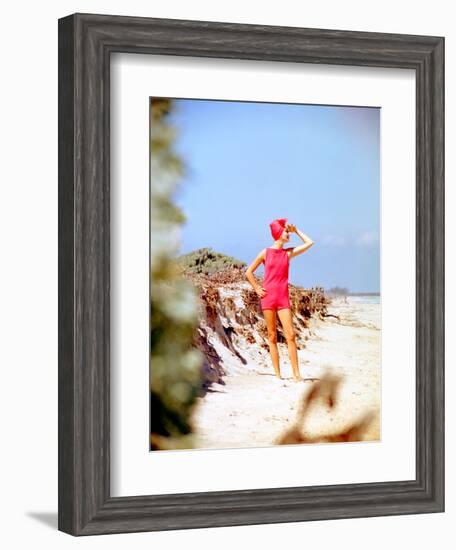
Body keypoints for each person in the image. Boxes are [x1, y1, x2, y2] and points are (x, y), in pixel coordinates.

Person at [245, 219, 315, 382]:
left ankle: (296, 374)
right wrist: (256, 288)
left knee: (290, 335)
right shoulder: (265, 252)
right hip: (268, 297)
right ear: (278, 234)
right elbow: (248, 272)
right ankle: (277, 375)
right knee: (272, 336)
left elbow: (310, 242)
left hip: (283, 298)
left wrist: (296, 230)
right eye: (286, 231)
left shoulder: (287, 253)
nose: (288, 233)